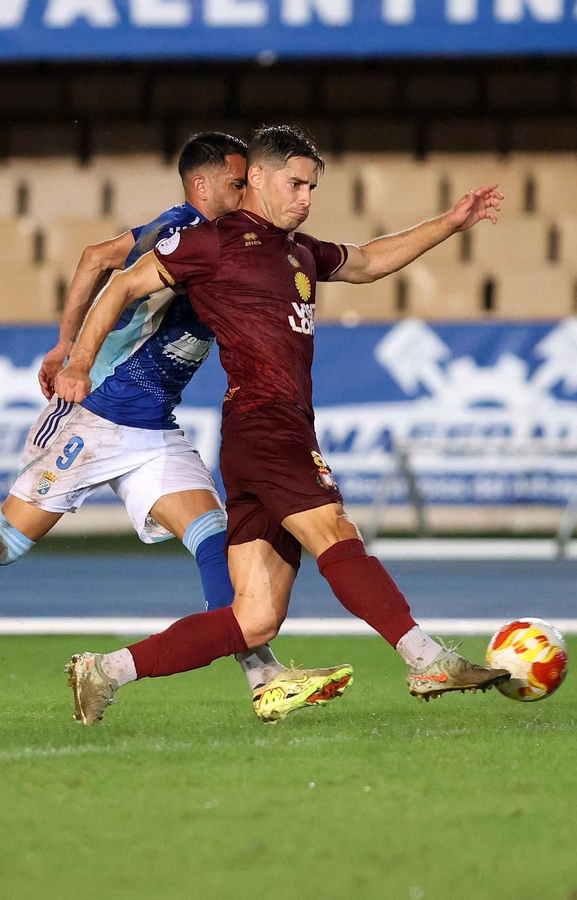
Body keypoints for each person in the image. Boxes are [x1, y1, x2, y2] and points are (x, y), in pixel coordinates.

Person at [0, 132, 351, 725]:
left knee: (215, 538)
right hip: (96, 415)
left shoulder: (238, 243)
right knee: (2, 544)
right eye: (236, 184)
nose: (244, 195)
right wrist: (69, 350)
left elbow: (97, 257)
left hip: (153, 428)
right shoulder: (182, 229)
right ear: (201, 185)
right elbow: (97, 260)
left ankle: (265, 679)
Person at [54, 125, 511, 723]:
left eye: (312, 187)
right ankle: (426, 659)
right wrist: (78, 361)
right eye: (295, 184)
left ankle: (105, 671)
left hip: (262, 435)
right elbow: (121, 284)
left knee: (254, 620)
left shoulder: (299, 250)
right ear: (258, 178)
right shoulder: (212, 241)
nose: (305, 197)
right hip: (266, 426)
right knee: (335, 532)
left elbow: (370, 260)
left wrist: (450, 223)